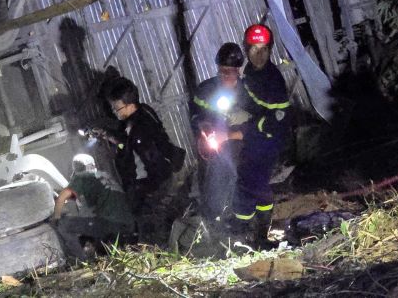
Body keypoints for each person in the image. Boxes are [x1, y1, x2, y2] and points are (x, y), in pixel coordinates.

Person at [229, 24, 291, 245]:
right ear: (246, 49)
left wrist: (248, 120)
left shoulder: (272, 79)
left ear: (270, 49)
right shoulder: (250, 73)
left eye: (264, 49)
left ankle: (248, 231)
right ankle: (254, 229)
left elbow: (279, 119)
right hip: (255, 139)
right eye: (254, 49)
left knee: (251, 183)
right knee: (251, 181)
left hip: (268, 141)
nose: (259, 54)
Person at [101, 77, 183, 210]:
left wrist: (111, 136)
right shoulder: (141, 111)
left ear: (130, 105)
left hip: (153, 182)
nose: (114, 112)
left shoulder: (141, 125)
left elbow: (130, 147)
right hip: (151, 180)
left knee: (156, 216)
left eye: (117, 108)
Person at [189, 43, 249, 222]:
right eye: (221, 71)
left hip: (240, 144)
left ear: (238, 71)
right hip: (213, 145)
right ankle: (213, 218)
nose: (224, 76)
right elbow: (195, 115)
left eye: (229, 72)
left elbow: (255, 127)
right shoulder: (205, 90)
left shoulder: (248, 92)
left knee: (239, 179)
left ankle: (240, 218)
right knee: (213, 180)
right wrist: (203, 127)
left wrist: (229, 136)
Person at [51, 154, 135, 257]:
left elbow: (62, 199)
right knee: (93, 225)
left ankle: (81, 262)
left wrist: (55, 217)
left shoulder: (82, 177)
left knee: (63, 225)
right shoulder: (105, 176)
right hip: (129, 226)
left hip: (111, 225)